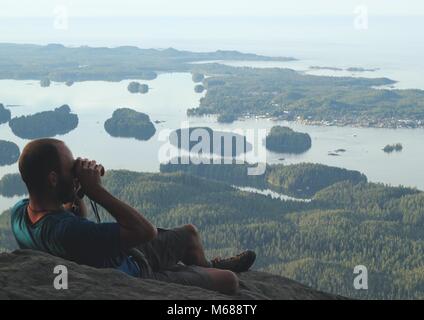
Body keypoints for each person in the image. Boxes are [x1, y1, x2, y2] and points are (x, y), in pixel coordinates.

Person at [11, 138, 256, 295]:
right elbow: (144, 231)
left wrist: (75, 192)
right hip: (134, 273)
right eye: (70, 167)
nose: (76, 170)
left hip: (123, 252)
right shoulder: (66, 232)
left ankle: (203, 267)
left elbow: (72, 218)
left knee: (189, 233)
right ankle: (198, 272)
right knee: (229, 281)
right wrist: (96, 190)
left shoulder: (21, 213)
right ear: (53, 179)